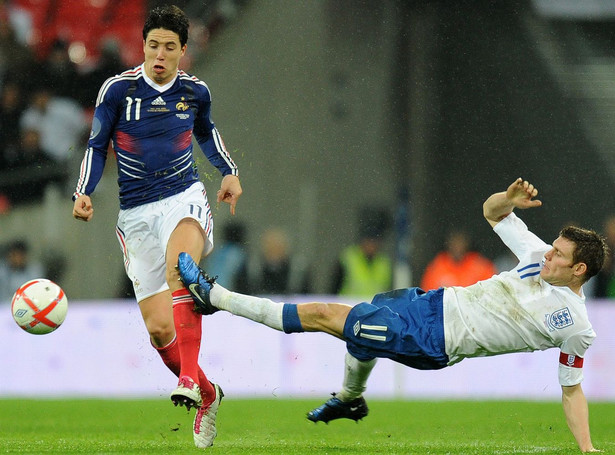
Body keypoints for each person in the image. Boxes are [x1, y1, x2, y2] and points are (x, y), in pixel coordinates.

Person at [177, 178, 605, 453]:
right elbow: (492, 212)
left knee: (328, 314)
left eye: (559, 255)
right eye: (552, 247)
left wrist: (586, 449)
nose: (548, 254)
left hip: (434, 341)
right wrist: (506, 199)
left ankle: (214, 296)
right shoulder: (535, 254)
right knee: (360, 332)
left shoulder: (576, 327)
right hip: (433, 302)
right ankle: (348, 399)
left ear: (579, 269)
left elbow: (572, 390)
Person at [71, 5, 242, 449]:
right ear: (142, 46)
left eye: (170, 46)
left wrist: (228, 171)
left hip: (183, 199)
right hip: (135, 214)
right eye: (153, 45)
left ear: (184, 50)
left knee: (180, 266)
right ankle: (208, 394)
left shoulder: (195, 91)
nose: (160, 54)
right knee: (159, 330)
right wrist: (83, 191)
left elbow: (206, 133)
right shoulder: (118, 90)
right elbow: (96, 144)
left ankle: (187, 377)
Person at [330, 207, 392, 297]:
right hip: (348, 309)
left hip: (373, 309)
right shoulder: (347, 259)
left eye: (375, 241)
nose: (371, 245)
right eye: (368, 240)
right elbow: (333, 290)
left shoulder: (383, 263)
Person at [420, 229, 497, 290]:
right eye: (454, 243)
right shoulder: (437, 266)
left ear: (467, 244)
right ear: (448, 244)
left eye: (460, 243)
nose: (457, 247)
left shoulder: (481, 267)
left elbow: (491, 293)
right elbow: (427, 296)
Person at [247, 227, 311, 295]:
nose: (274, 250)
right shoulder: (252, 267)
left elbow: (307, 296)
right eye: (270, 246)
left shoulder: (298, 269)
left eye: (278, 246)